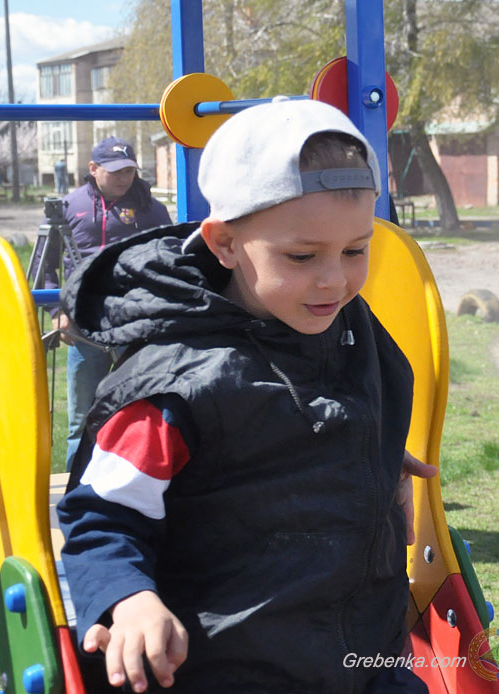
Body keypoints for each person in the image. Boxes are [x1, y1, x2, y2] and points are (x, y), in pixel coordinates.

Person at [58, 100, 436, 693]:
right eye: (302, 256)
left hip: (366, 656)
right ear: (225, 244)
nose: (335, 278)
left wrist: (373, 453)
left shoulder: (351, 329)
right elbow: (102, 515)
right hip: (224, 666)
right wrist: (128, 601)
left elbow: (336, 408)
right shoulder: (173, 386)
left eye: (356, 249)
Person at [39, 136, 172, 470]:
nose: (124, 178)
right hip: (85, 323)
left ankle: (134, 484)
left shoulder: (151, 208)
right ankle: (76, 487)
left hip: (138, 321)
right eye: (115, 171)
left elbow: (171, 260)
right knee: (81, 418)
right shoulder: (70, 206)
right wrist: (56, 312)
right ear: (93, 168)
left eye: (129, 170)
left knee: (143, 410)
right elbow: (45, 265)